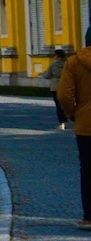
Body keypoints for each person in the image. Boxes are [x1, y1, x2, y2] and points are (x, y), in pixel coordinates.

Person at [54, 42, 91, 230]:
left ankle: (89, 217)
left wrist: (72, 114)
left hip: (86, 124)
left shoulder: (74, 62)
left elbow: (63, 95)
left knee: (88, 170)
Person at [50, 48, 72, 130]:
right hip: (66, 86)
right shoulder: (68, 64)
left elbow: (47, 75)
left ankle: (62, 123)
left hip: (55, 87)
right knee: (66, 104)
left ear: (57, 56)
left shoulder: (53, 65)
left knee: (58, 105)